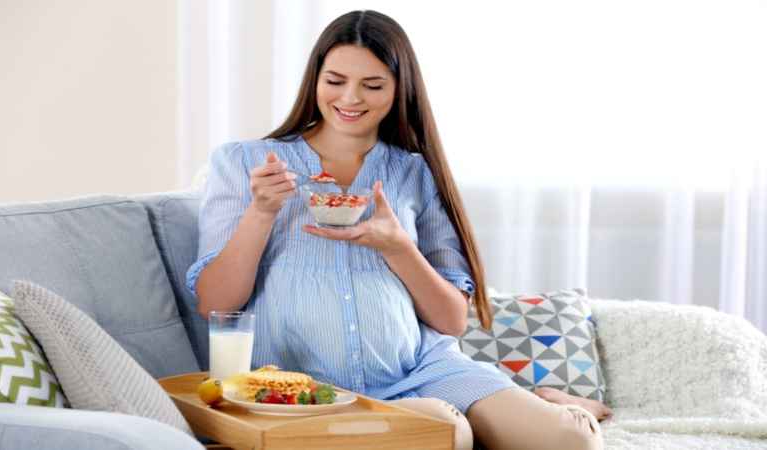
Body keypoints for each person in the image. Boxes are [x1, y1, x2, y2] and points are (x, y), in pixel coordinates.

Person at [187, 10, 610, 450]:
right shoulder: (243, 162)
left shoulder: (413, 172)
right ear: (314, 80)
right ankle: (511, 410)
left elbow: (450, 320)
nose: (350, 98)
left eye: (372, 85)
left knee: (571, 440)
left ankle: (556, 405)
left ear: (398, 90)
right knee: (445, 433)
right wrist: (261, 212)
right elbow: (215, 303)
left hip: (427, 369)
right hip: (311, 387)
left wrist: (398, 246)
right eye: (335, 81)